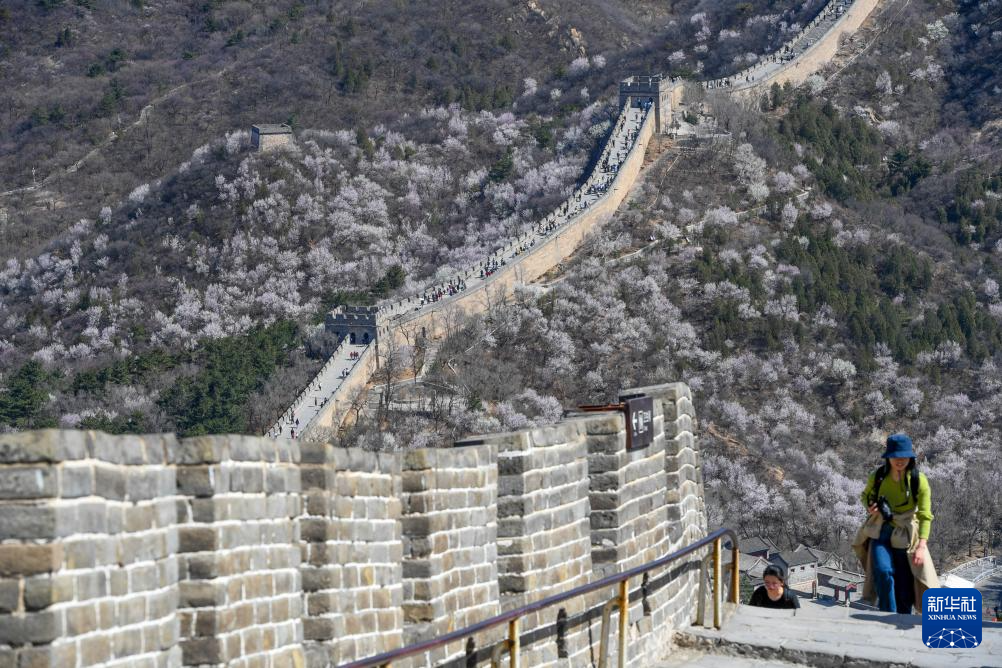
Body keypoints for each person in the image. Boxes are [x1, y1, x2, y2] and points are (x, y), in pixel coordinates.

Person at [852, 434, 939, 613]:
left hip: (906, 534)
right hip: (881, 530)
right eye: (895, 457)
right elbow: (865, 496)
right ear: (888, 457)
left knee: (904, 585)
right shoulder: (877, 476)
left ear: (910, 457)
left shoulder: (918, 480)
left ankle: (903, 616)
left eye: (904, 457)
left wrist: (921, 546)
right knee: (883, 572)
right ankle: (888, 615)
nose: (900, 461)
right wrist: (870, 506)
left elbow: (925, 515)